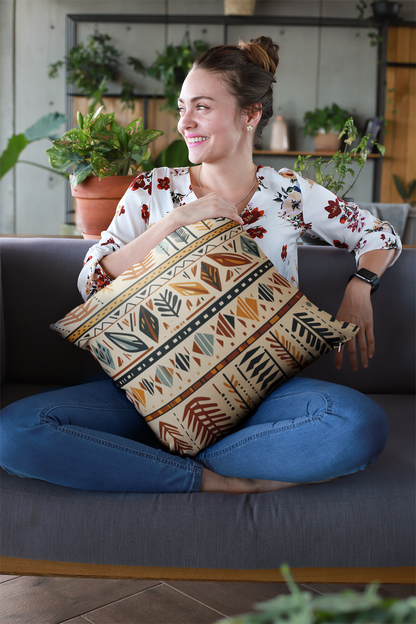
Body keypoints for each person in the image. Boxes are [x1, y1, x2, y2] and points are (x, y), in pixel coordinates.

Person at [0, 37, 401, 494]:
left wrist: (359, 287)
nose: (184, 122)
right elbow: (93, 281)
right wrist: (173, 222)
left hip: (262, 396)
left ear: (250, 115)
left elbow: (379, 235)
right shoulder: (153, 190)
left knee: (357, 423)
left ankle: (176, 461)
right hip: (147, 392)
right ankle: (207, 479)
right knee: (16, 431)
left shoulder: (288, 193)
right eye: (181, 107)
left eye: (203, 107)